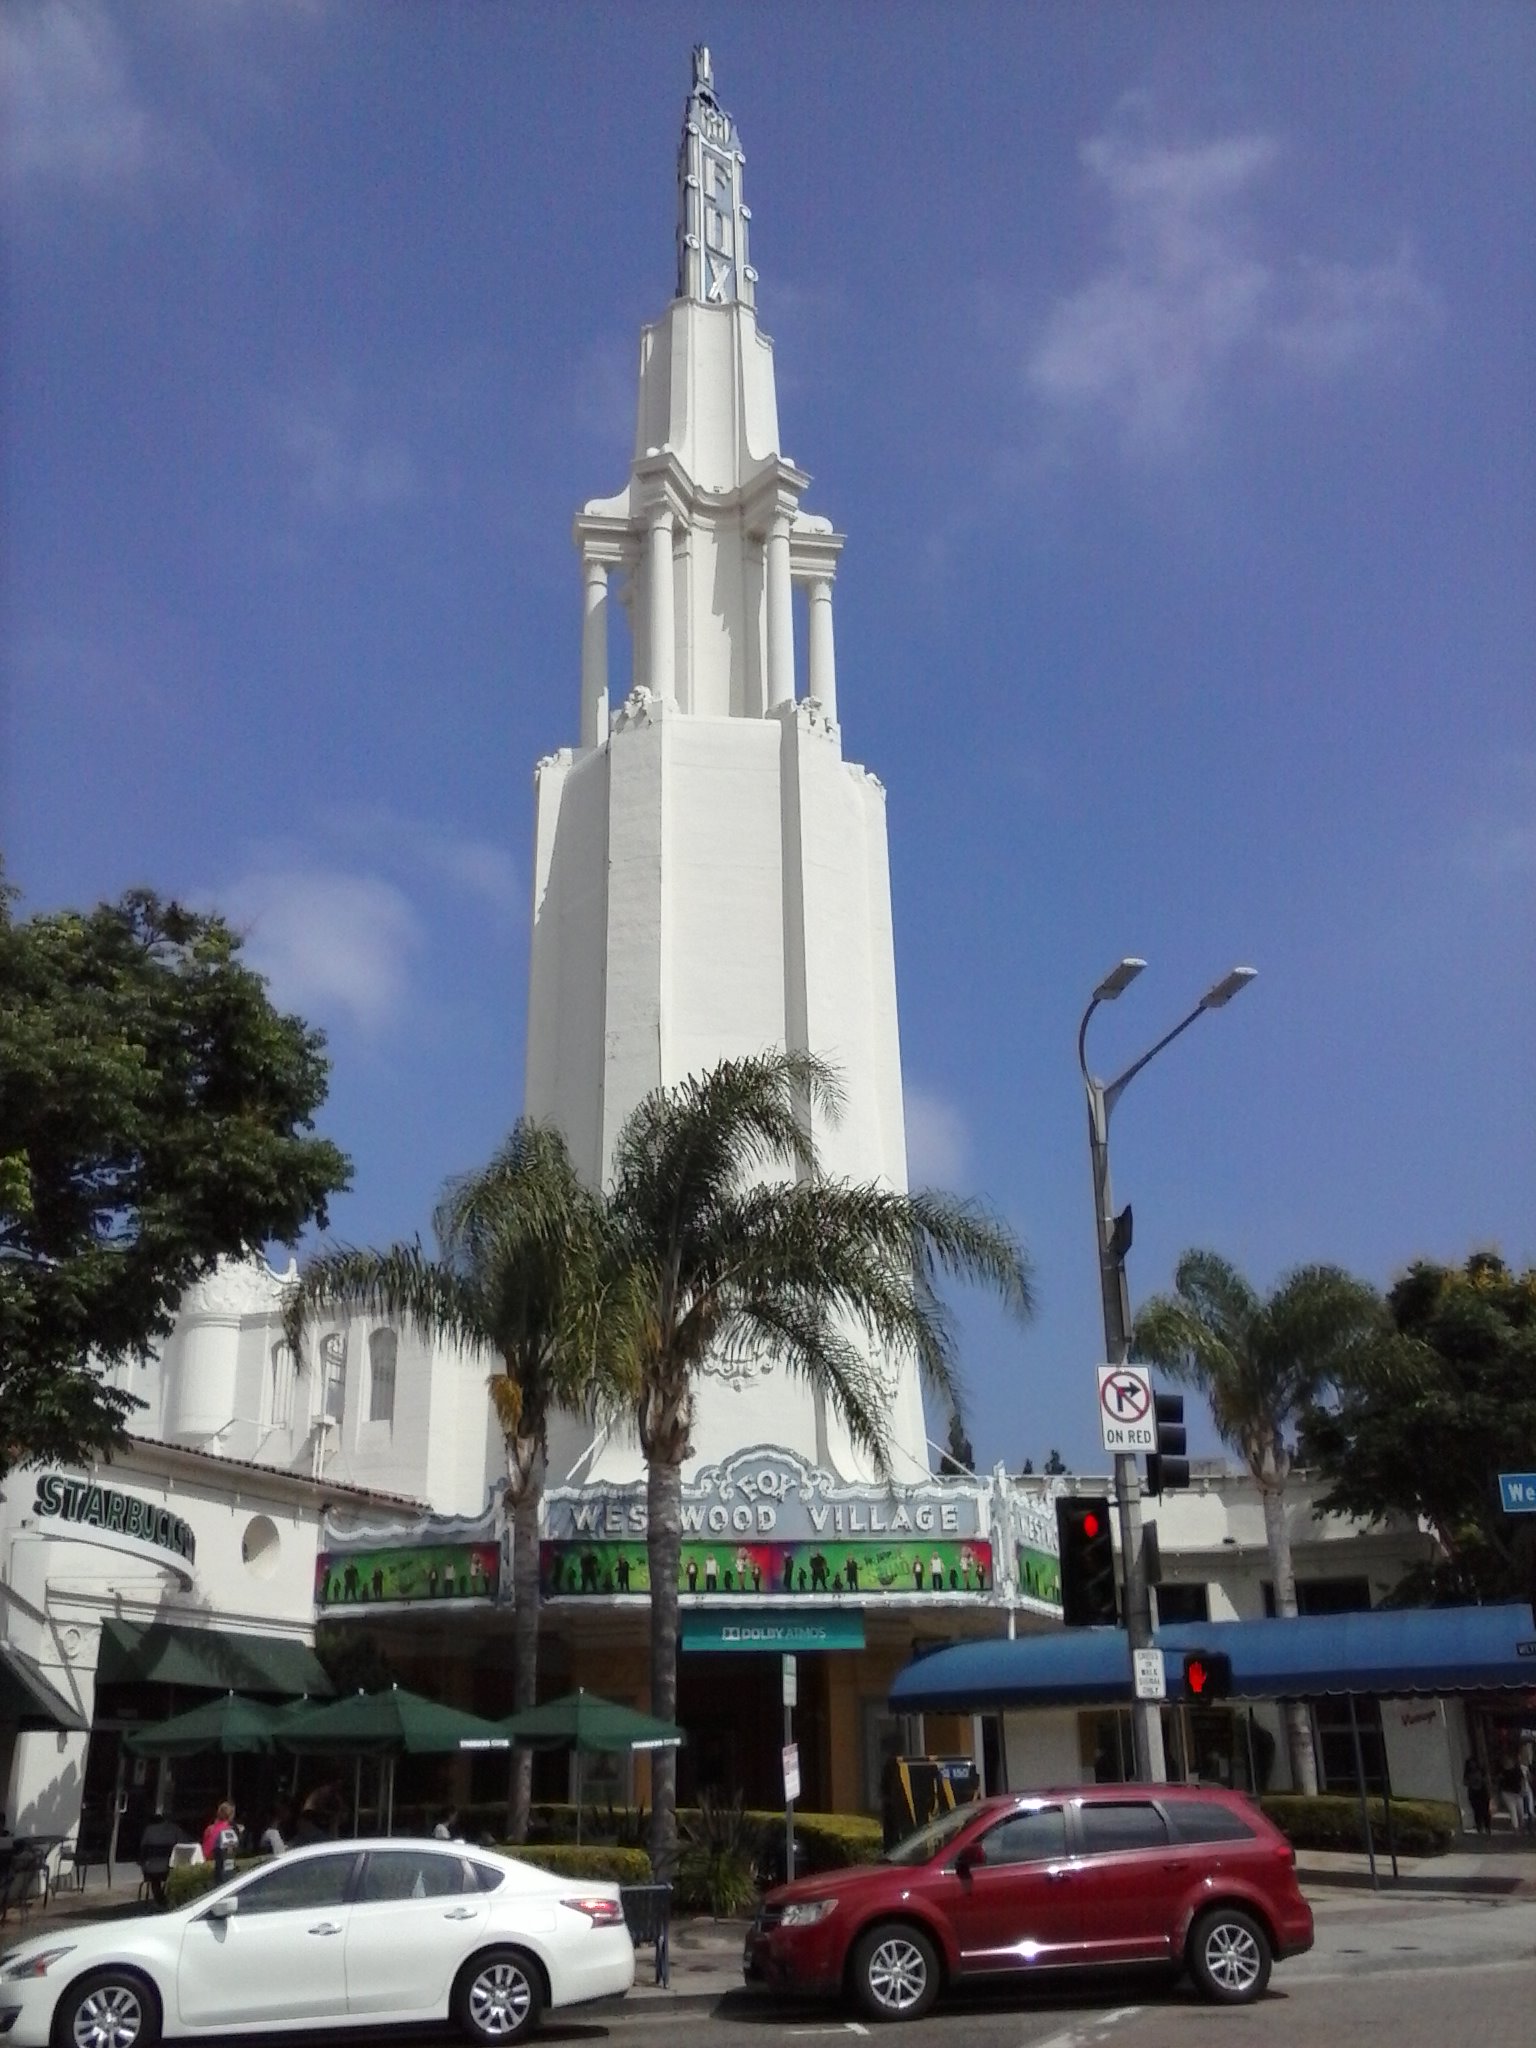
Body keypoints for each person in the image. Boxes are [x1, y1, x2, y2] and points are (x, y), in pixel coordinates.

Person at [138, 1811, 183, 1907]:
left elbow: (143, 1848)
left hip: (151, 1869)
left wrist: (142, 1864)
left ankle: (160, 1900)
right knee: (174, 1875)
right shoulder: (173, 1828)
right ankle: (169, 1899)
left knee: (155, 1880)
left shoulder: (148, 1830)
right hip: (168, 1867)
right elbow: (184, 1842)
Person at [201, 1801, 240, 1879]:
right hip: (219, 1863)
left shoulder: (209, 1828)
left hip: (205, 1860)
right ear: (231, 1815)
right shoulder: (229, 1831)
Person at [1463, 1753, 1493, 1834]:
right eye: (1471, 1764)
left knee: (1485, 1810)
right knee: (1477, 1811)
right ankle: (1479, 1826)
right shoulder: (1467, 1773)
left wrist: (1482, 1781)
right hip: (1473, 1793)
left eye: (1473, 1763)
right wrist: (1471, 1782)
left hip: (1482, 1792)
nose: (1472, 1765)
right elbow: (1465, 1782)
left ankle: (1487, 1827)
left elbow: (1486, 1780)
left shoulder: (1481, 1771)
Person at [1496, 1756, 1525, 1832]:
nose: (1508, 1762)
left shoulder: (1517, 1770)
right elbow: (1499, 1782)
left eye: (1509, 1761)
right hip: (1507, 1793)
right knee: (1512, 1811)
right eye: (1506, 1761)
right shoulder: (1502, 1771)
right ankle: (1516, 1828)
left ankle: (1521, 1825)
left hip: (1517, 1793)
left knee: (1520, 1811)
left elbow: (1522, 1780)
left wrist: (1523, 1789)